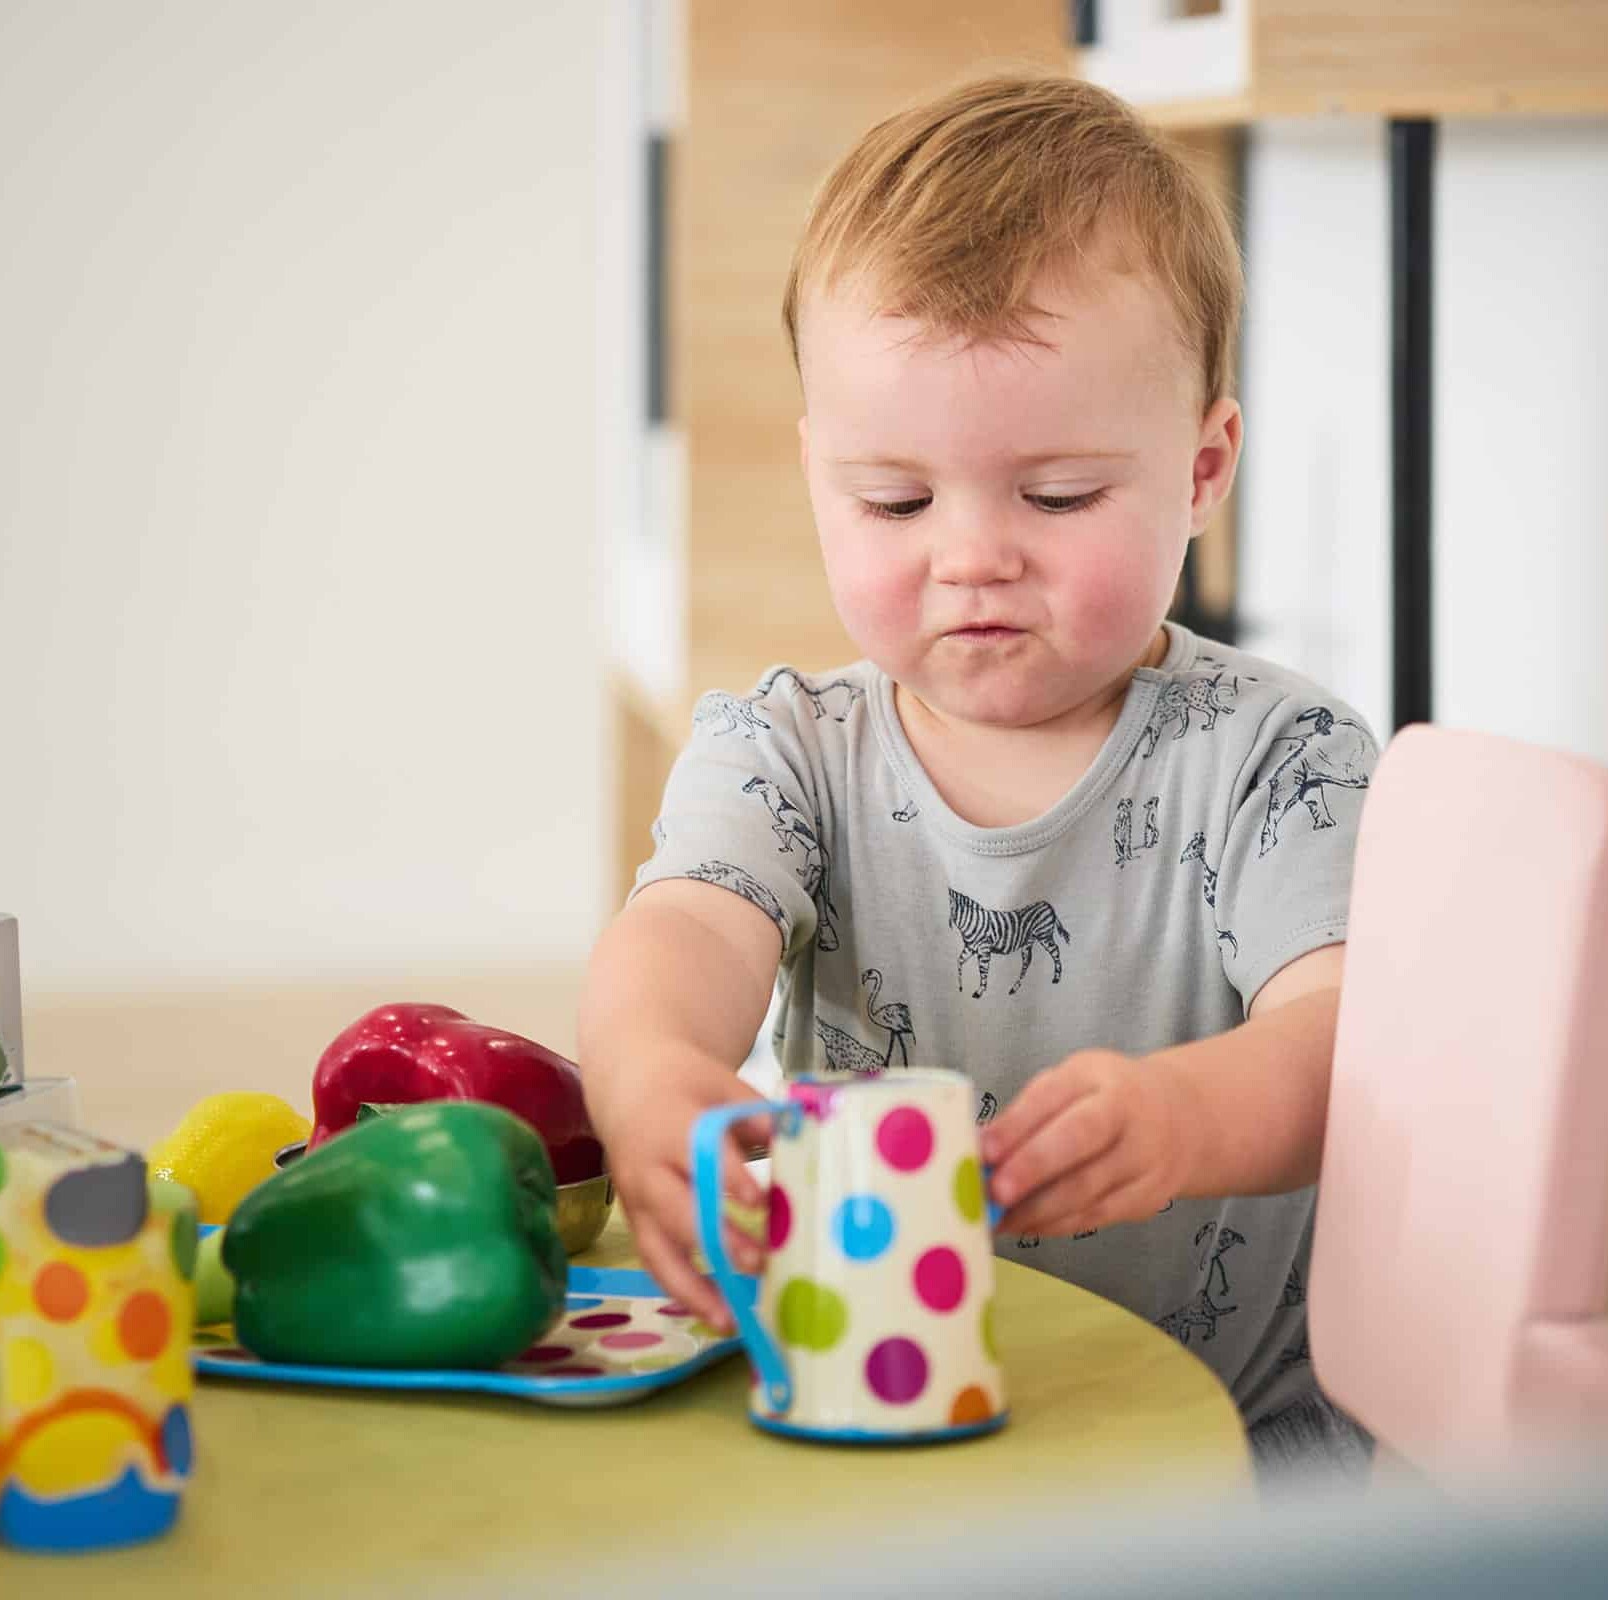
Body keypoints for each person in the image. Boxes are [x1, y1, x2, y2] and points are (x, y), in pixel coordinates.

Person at [577, 73, 1376, 1476]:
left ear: (1200, 470)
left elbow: (1344, 1046)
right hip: (865, 1403)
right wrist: (648, 1073)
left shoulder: (1281, 760)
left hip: (1230, 1447)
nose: (970, 554)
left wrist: (1191, 1116)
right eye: (893, 499)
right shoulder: (782, 749)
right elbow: (686, 927)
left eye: (1056, 495)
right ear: (819, 470)